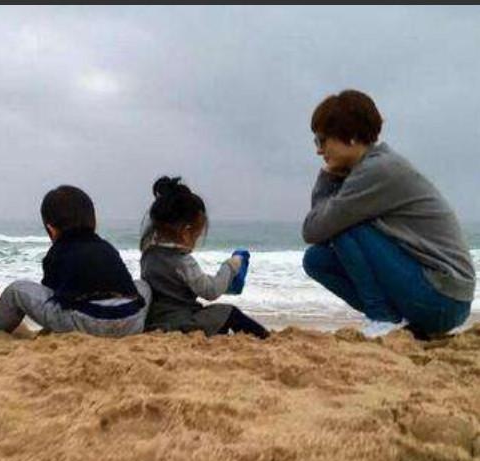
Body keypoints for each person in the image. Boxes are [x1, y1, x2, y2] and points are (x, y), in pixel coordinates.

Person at [302, 89, 475, 338]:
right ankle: (395, 320)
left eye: (321, 140)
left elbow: (315, 228)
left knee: (344, 226)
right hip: (442, 296)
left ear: (351, 137)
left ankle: (381, 318)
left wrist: (326, 177)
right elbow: (318, 229)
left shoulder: (377, 170)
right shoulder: (371, 167)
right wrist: (331, 178)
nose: (319, 151)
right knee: (316, 260)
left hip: (442, 297)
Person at [0, 185, 150, 337]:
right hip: (131, 323)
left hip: (86, 323)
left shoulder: (58, 252)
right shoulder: (107, 247)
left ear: (51, 229)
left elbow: (52, 296)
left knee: (16, 289)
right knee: (142, 286)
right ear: (94, 223)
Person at [140, 176, 269, 339]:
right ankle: (266, 338)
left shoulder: (148, 256)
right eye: (196, 235)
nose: (195, 240)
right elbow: (210, 291)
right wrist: (230, 267)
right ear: (185, 231)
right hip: (182, 323)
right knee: (229, 312)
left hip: (155, 322)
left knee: (212, 316)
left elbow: (179, 284)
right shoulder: (182, 261)